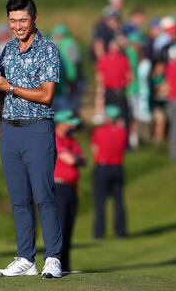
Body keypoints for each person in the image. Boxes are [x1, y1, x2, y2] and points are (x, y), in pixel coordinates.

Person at [0, 0, 63, 279]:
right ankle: (26, 258)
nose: (18, 26)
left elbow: (47, 95)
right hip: (10, 130)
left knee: (43, 196)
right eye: (13, 21)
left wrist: (9, 88)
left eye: (23, 20)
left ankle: (53, 257)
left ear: (35, 19)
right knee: (18, 199)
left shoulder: (48, 50)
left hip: (37, 128)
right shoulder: (8, 50)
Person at [53, 110, 85, 274]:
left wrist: (76, 158)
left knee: (69, 228)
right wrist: (76, 158)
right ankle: (55, 265)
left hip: (72, 188)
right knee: (60, 229)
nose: (73, 125)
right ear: (61, 123)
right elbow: (71, 160)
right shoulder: (55, 139)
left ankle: (64, 266)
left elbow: (83, 159)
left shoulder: (71, 140)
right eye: (70, 122)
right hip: (58, 188)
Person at [91, 105, 128, 239]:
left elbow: (95, 149)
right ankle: (121, 231)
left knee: (100, 201)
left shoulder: (99, 131)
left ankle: (99, 233)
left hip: (103, 166)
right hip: (118, 167)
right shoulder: (122, 131)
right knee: (118, 201)